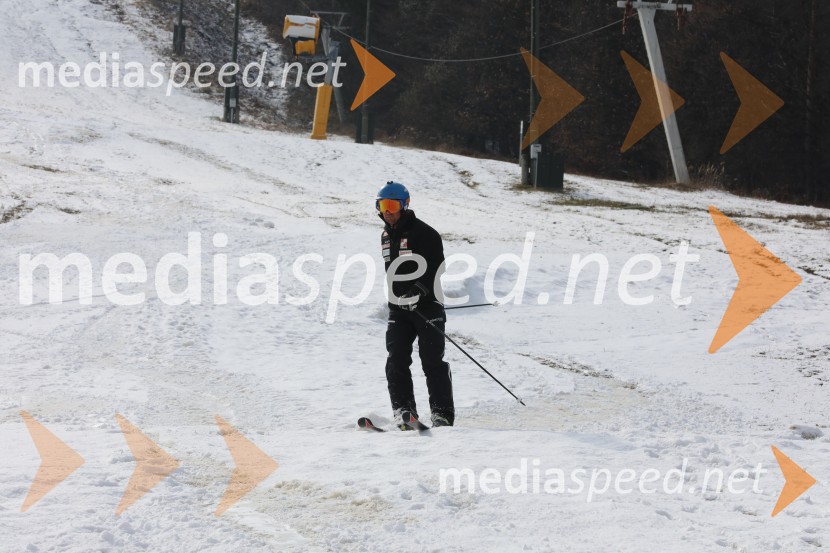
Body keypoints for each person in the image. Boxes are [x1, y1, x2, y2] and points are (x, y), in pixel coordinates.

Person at [376, 181, 454, 429]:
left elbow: (435, 268)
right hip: (398, 309)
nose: (386, 211)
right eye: (381, 205)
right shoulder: (386, 236)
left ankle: (442, 415)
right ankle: (403, 411)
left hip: (427, 307)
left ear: (405, 205)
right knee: (396, 360)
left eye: (391, 205)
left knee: (432, 361)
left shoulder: (426, 233)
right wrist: (398, 297)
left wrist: (418, 292)